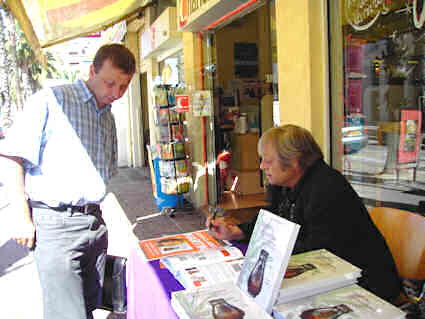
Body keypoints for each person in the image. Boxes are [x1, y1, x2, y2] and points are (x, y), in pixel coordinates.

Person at [0, 43, 136, 319]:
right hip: (56, 226)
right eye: (110, 83)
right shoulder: (51, 100)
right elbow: (11, 156)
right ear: (91, 71)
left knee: (88, 306)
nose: (116, 94)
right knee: (67, 313)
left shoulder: (107, 115)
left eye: (123, 87)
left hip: (94, 224)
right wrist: (20, 218)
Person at [207, 124, 402, 303]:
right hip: (324, 276)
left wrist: (266, 248)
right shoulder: (283, 184)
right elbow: (271, 220)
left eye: (268, 160)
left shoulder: (327, 189)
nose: (261, 167)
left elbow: (318, 252)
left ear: (294, 162)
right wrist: (237, 231)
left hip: (364, 285)